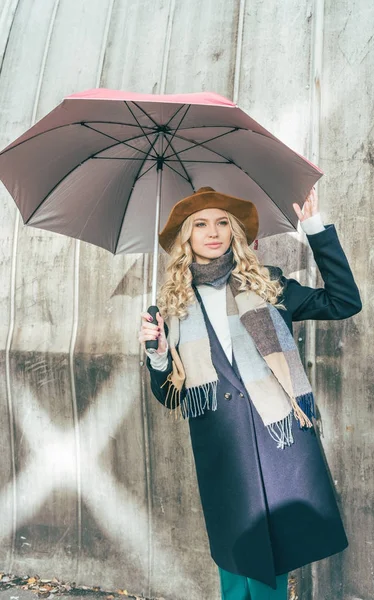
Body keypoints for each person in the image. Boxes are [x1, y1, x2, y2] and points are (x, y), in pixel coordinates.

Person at [138, 186, 362, 600]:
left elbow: (344, 302)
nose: (213, 232)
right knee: (234, 557)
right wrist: (156, 355)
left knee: (272, 558)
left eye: (223, 222)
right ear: (186, 237)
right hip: (221, 451)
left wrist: (316, 230)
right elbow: (170, 397)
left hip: (280, 439)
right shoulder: (169, 308)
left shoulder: (268, 285)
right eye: (201, 224)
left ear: (235, 232)